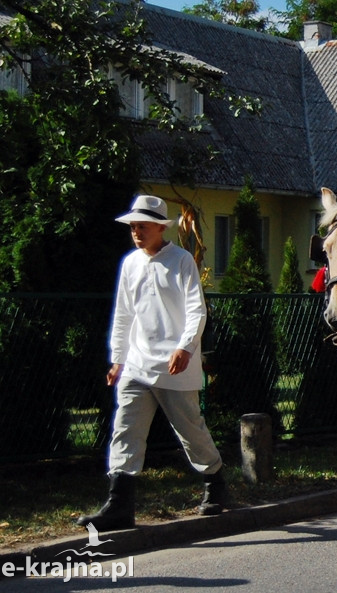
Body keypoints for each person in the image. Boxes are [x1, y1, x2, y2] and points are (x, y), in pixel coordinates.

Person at [78, 195, 227, 531]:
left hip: (175, 366)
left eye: (142, 226)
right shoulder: (130, 263)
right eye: (133, 226)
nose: (136, 232)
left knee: (190, 430)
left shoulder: (182, 260)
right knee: (126, 429)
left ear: (160, 227)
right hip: (137, 364)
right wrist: (117, 359)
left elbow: (195, 309)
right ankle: (119, 506)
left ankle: (215, 482)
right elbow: (123, 315)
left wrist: (186, 347)